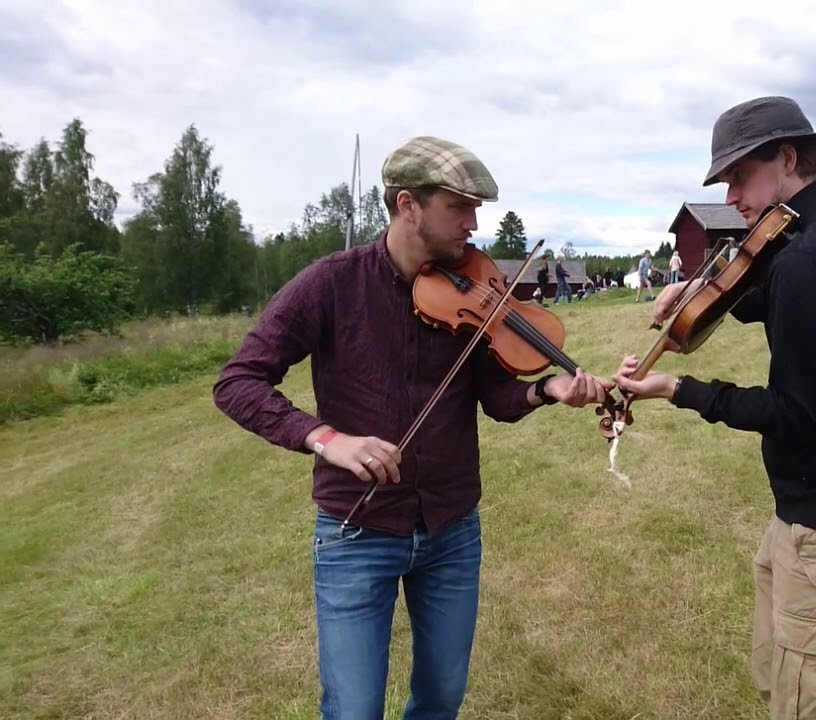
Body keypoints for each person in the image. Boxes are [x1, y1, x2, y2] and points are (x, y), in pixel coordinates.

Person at [212, 135, 610, 720]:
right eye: (459, 207)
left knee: (442, 697)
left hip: (452, 527)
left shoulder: (471, 287)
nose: (474, 224)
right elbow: (238, 382)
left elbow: (496, 397)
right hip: (357, 530)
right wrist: (327, 439)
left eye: (476, 209)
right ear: (408, 205)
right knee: (353, 709)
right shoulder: (331, 283)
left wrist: (545, 389)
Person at [612, 96, 816, 719]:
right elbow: (778, 298)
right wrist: (696, 289)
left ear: (787, 159)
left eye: (739, 176)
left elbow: (794, 415)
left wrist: (679, 389)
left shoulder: (806, 258)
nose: (733, 197)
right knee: (781, 680)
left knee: (808, 704)